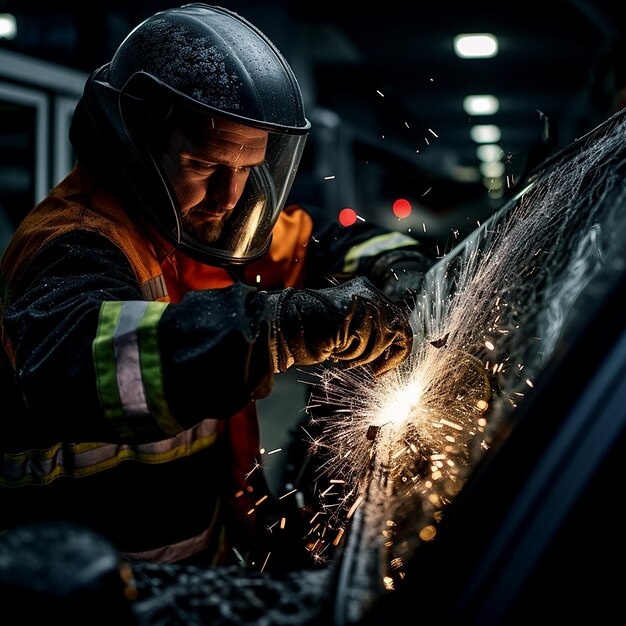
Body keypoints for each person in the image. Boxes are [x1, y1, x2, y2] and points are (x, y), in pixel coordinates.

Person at [0, 3, 434, 572]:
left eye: (247, 168)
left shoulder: (200, 225)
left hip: (196, 565)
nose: (231, 197)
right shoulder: (72, 243)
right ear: (135, 141)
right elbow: (78, 364)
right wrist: (275, 329)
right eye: (206, 165)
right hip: (88, 587)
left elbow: (322, 242)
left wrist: (398, 270)